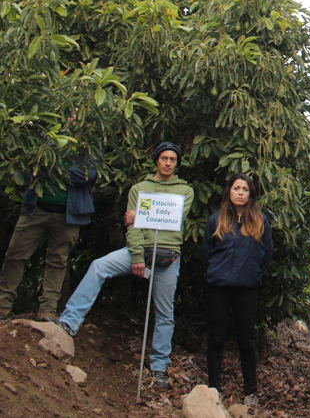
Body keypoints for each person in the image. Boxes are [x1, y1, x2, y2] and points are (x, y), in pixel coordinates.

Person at [50, 141, 194, 389]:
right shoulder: (140, 188)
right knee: (99, 266)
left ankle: (159, 368)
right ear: (157, 161)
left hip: (168, 256)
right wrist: (137, 256)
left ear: (177, 163)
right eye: (164, 158)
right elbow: (134, 227)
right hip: (138, 250)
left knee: (165, 313)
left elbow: (172, 221)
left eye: (172, 159)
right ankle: (70, 322)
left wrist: (140, 215)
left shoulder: (185, 190)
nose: (168, 163)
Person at [201, 172, 274, 410]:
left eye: (244, 189)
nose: (240, 192)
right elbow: (207, 253)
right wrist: (215, 273)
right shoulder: (216, 220)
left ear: (251, 194)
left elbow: (266, 255)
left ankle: (250, 392)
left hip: (246, 288)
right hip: (217, 287)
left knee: (246, 341)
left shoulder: (260, 220)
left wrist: (251, 274)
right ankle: (214, 388)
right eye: (236, 188)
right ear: (229, 192)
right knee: (216, 338)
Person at [0, 149, 96, 319]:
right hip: (35, 211)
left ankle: (47, 309)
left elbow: (87, 176)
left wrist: (52, 168)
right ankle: (3, 305)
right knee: (15, 255)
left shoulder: (86, 146)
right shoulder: (45, 141)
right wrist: (60, 170)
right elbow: (29, 166)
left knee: (58, 260)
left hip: (69, 215)